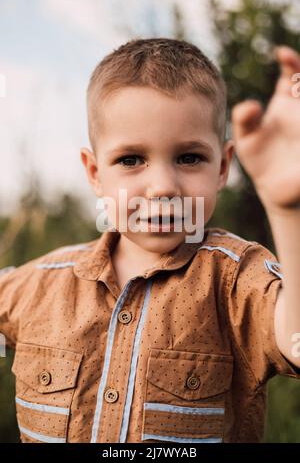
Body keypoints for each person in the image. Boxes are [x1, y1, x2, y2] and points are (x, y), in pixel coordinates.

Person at [0, 38, 300, 443]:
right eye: (130, 159)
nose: (162, 187)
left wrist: (288, 212)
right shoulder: (41, 284)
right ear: (94, 172)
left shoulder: (234, 281)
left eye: (189, 157)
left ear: (223, 166)